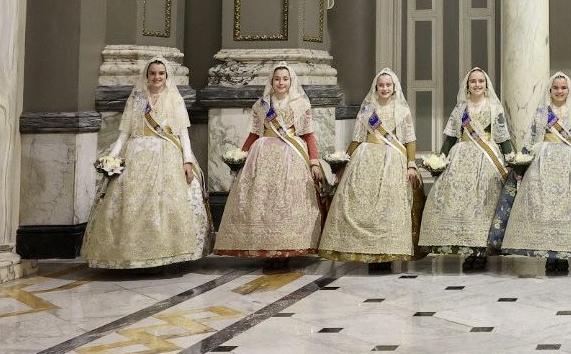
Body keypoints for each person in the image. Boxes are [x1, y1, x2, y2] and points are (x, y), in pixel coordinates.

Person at [82, 59, 210, 269]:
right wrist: (112, 156)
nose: (157, 77)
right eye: (153, 73)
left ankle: (166, 254)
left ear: (167, 76)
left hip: (166, 154)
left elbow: (183, 133)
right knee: (132, 204)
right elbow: (125, 132)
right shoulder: (138, 98)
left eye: (161, 73)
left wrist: (187, 160)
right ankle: (131, 254)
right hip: (137, 155)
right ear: (147, 75)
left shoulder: (173, 99)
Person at [215, 63, 326, 260]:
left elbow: (308, 135)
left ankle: (287, 251)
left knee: (288, 201)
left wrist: (314, 162)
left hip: (291, 156)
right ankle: (265, 250)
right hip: (262, 153)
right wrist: (239, 156)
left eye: (285, 79)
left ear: (291, 81)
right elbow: (253, 133)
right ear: (271, 81)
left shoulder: (301, 104)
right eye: (277, 79)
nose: (281, 82)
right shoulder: (261, 105)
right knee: (261, 201)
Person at [320, 69, 420, 266]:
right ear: (376, 87)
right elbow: (357, 138)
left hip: (393, 160)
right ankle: (366, 252)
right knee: (361, 203)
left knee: (388, 206)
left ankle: (387, 254)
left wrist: (411, 164)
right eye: (381, 85)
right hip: (365, 158)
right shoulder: (367, 110)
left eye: (388, 85)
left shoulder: (401, 110)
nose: (385, 88)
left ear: (394, 88)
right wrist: (343, 162)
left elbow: (410, 140)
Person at [419, 67, 514, 271]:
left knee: (483, 207)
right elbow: (451, 137)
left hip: (487, 160)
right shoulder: (460, 109)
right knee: (462, 207)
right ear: (467, 85)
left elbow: (504, 138)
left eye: (481, 81)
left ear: (486, 85)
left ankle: (481, 251)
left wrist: (512, 161)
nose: (477, 84)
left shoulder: (494, 108)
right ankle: (467, 249)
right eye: (473, 81)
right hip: (460, 158)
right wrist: (440, 158)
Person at [502, 72, 571, 274]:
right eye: (556, 88)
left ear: (568, 90)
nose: (559, 91)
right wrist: (521, 162)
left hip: (570, 165)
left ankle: (563, 255)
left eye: (563, 88)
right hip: (543, 163)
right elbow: (530, 140)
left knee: (566, 210)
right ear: (550, 90)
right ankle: (549, 256)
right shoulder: (541, 113)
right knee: (545, 209)